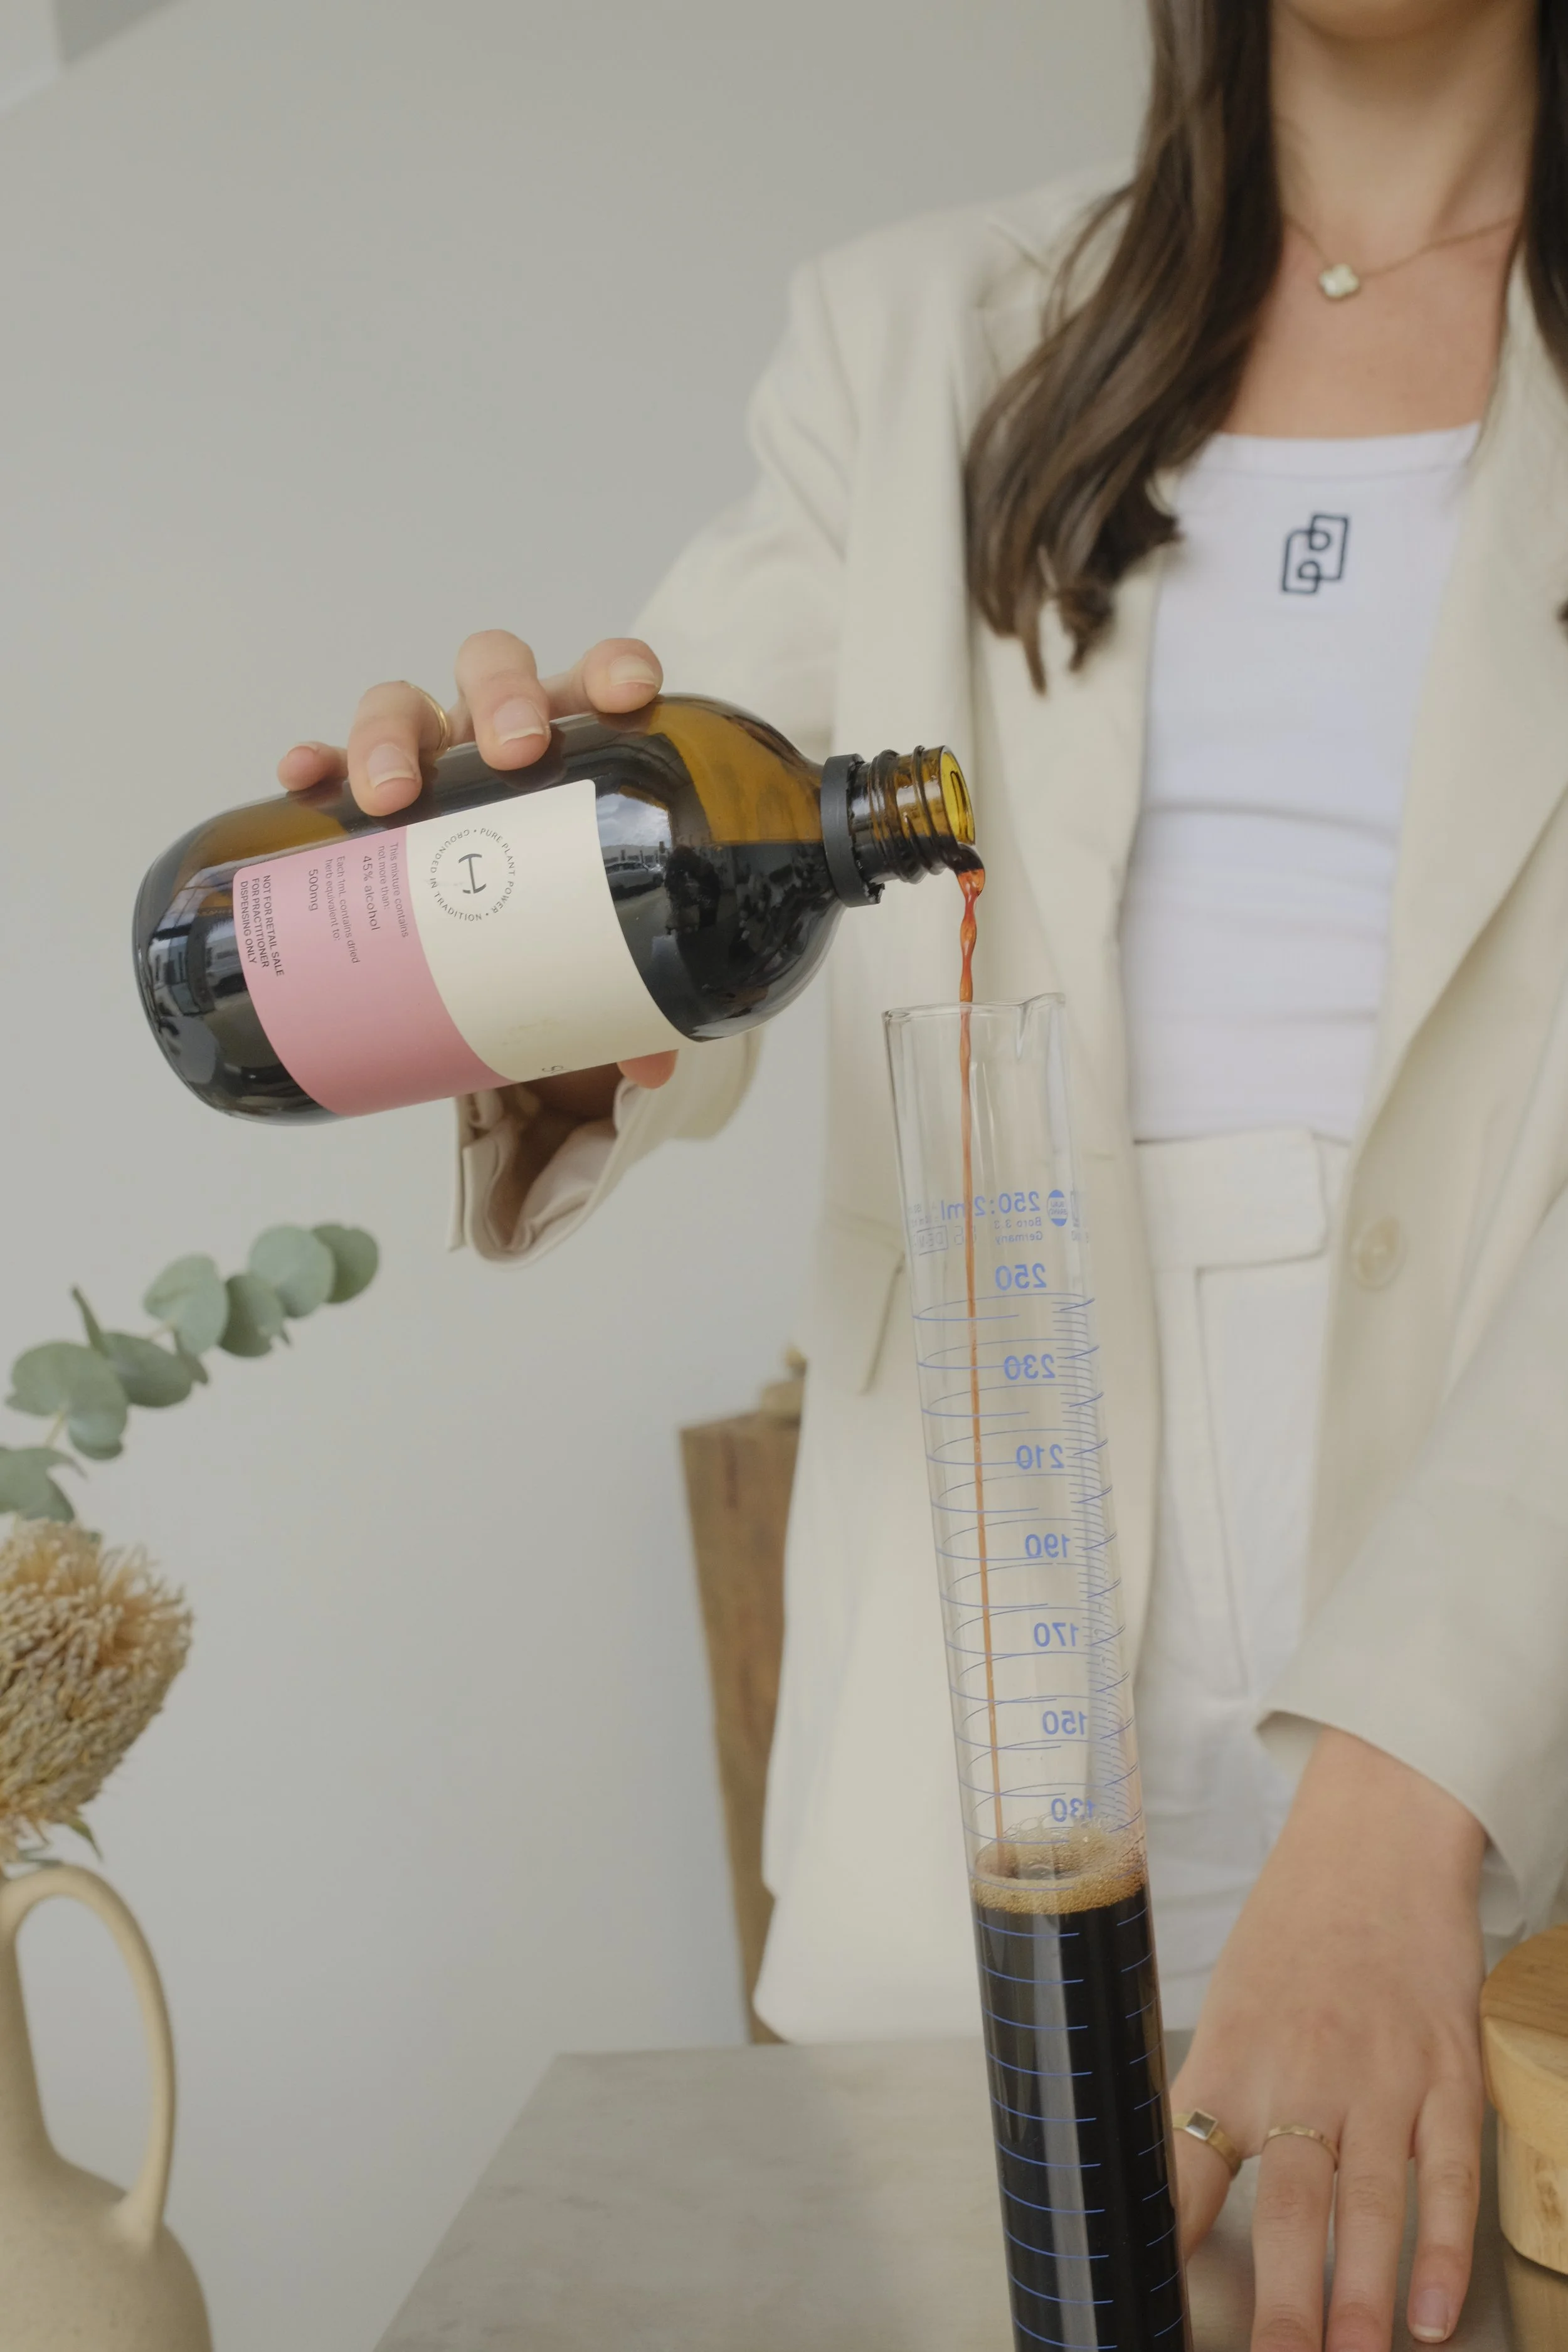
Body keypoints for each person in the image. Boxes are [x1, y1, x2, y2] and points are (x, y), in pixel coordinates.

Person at [278, 2, 1568, 2344]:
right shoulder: (914, 348)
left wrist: (1411, 1784)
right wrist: (523, 960)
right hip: (995, 1719)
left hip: (1505, 1686)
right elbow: (695, 852)